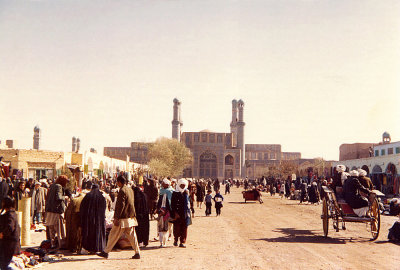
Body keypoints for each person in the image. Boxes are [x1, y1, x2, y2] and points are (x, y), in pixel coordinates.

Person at [98, 175, 140, 259]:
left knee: (113, 235)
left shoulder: (122, 191)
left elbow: (121, 205)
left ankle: (106, 252)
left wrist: (116, 218)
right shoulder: (130, 190)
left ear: (119, 182)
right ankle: (137, 252)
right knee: (132, 236)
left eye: (117, 182)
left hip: (123, 218)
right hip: (130, 217)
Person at [80, 184, 106, 253]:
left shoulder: (88, 196)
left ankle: (87, 248)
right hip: (99, 220)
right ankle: (97, 248)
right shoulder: (102, 197)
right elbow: (104, 210)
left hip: (89, 219)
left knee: (88, 233)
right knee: (98, 232)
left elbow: (82, 208)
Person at [45, 175, 68, 249]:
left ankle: (52, 244)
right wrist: (66, 197)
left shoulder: (52, 186)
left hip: (49, 210)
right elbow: (59, 197)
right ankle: (61, 245)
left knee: (51, 229)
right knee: (59, 229)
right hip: (56, 211)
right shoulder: (59, 186)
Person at [0, 196, 21, 270]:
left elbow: (10, 227)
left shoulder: (10, 215)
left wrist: (2, 234)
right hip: (10, 242)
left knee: (4, 264)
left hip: (9, 243)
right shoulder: (12, 214)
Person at [170, 179, 192, 248]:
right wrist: (175, 213)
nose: (182, 187)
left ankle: (182, 242)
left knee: (184, 228)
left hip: (185, 214)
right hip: (177, 214)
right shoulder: (175, 193)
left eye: (184, 185)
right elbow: (172, 204)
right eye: (181, 185)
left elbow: (189, 203)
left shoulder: (186, 193)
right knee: (177, 228)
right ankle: (176, 240)